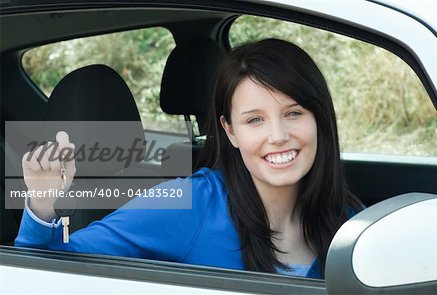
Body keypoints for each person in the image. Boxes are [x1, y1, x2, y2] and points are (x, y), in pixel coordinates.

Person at [15, 38, 364, 279]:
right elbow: (44, 270)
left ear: (318, 118)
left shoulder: (346, 218)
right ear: (230, 132)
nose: (277, 135)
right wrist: (42, 204)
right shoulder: (191, 204)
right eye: (254, 119)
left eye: (293, 113)